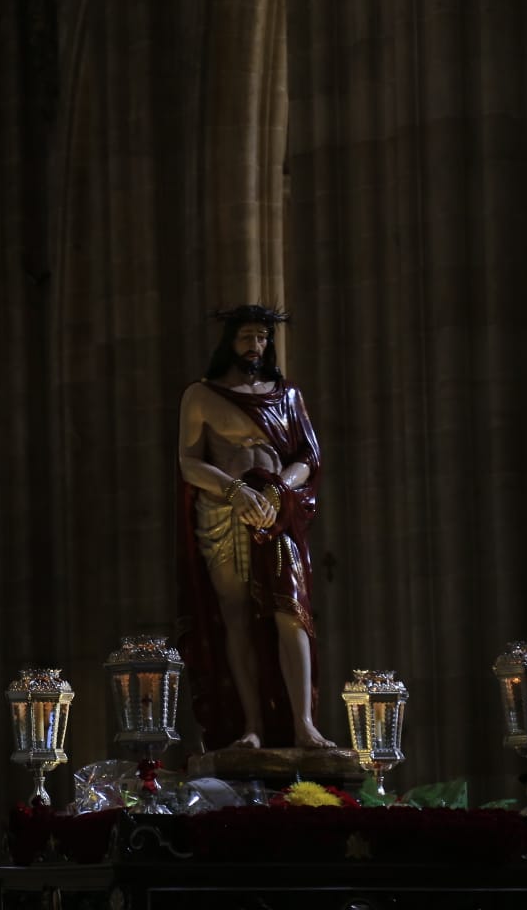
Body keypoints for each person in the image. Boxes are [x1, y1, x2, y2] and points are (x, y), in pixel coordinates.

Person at [176, 305, 334, 750]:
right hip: (224, 514)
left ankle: (304, 724)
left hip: (275, 511)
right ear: (229, 341)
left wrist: (278, 490)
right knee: (236, 617)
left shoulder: (287, 396)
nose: (256, 345)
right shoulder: (202, 395)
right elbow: (189, 462)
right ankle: (251, 726)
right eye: (247, 336)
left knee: (292, 612)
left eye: (263, 338)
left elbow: (308, 457)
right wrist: (233, 491)